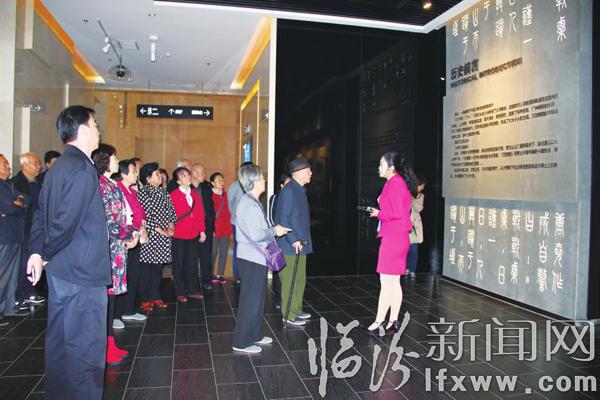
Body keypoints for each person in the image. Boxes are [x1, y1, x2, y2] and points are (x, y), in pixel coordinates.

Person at [27, 105, 111, 399]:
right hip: (82, 272)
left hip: (62, 271)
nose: (99, 130)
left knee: (61, 342)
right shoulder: (83, 169)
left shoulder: (58, 167)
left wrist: (37, 251)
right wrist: (44, 253)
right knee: (85, 348)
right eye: (95, 124)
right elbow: (66, 222)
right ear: (84, 129)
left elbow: (42, 214)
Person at [233, 164, 290, 353]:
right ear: (254, 181)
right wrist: (275, 230)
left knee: (257, 299)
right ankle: (241, 341)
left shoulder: (251, 201)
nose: (264, 180)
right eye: (262, 177)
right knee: (250, 300)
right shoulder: (249, 205)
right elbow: (257, 234)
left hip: (255, 257)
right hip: (251, 258)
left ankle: (255, 334)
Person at [91, 144, 137, 366]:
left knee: (111, 298)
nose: (117, 161)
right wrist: (129, 234)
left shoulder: (111, 185)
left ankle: (110, 343)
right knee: (105, 299)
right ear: (104, 161)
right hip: (107, 248)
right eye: (114, 158)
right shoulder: (99, 185)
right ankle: (103, 346)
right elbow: (109, 220)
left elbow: (123, 216)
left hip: (118, 247)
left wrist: (131, 233)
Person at [367, 152, 416, 334]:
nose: (379, 167)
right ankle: (393, 321)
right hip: (399, 237)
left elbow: (396, 212)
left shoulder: (394, 184)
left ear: (391, 167)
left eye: (381, 164)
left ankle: (380, 320)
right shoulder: (398, 183)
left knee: (386, 282)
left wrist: (378, 213)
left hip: (393, 238)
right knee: (394, 282)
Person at [275, 157, 313, 326]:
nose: (311, 173)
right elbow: (283, 219)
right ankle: (288, 314)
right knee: (290, 280)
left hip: (301, 244)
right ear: (298, 173)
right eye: (308, 171)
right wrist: (293, 239)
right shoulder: (289, 191)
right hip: (291, 245)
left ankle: (296, 309)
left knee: (299, 279)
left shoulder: (299, 189)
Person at [137, 162, 176, 311]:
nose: (160, 176)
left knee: (157, 270)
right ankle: (144, 299)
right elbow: (147, 216)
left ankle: (155, 296)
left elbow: (172, 212)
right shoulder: (143, 193)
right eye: (157, 174)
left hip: (163, 238)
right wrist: (162, 231)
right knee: (146, 270)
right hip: (150, 237)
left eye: (160, 173)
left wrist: (171, 226)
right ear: (148, 178)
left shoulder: (164, 192)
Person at [114, 159, 149, 327]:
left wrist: (142, 229)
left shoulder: (132, 191)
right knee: (120, 276)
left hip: (135, 238)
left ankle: (128, 310)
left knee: (133, 275)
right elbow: (119, 217)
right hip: (123, 240)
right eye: (134, 171)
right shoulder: (117, 190)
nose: (137, 174)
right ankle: (115, 315)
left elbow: (140, 214)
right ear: (123, 173)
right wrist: (133, 233)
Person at [11, 152, 45, 308]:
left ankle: (31, 290)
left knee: (34, 259)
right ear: (24, 165)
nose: (38, 166)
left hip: (37, 228)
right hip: (23, 228)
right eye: (34, 163)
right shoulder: (16, 183)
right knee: (23, 262)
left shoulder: (39, 182)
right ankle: (22, 294)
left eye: (39, 163)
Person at [0, 154, 30, 326]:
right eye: (4, 164)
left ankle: (9, 307)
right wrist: (18, 204)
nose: (9, 167)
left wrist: (19, 203)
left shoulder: (8, 185)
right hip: (4, 236)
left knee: (12, 275)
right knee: (3, 274)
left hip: (15, 235)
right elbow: (9, 207)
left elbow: (26, 199)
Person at [169, 167, 206, 302]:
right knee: (178, 263)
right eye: (184, 176)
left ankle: (192, 289)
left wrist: (202, 230)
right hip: (179, 234)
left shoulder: (194, 194)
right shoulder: (173, 195)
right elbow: (170, 215)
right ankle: (179, 291)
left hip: (193, 234)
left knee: (192, 262)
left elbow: (200, 213)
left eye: (187, 175)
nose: (188, 177)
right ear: (178, 181)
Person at [191, 163, 215, 291]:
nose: (205, 175)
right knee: (191, 256)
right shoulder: (186, 188)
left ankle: (206, 280)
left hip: (206, 226)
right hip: (191, 227)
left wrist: (212, 227)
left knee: (206, 256)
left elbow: (211, 208)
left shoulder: (206, 187)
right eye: (202, 172)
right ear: (194, 173)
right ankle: (192, 282)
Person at [227, 161, 253, 284]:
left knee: (251, 248)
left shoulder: (254, 185)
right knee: (239, 248)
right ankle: (237, 274)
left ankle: (248, 274)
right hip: (237, 224)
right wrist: (236, 217)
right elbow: (230, 204)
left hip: (251, 224)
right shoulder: (234, 186)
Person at [268, 173, 291, 309]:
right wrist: (278, 231)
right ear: (281, 185)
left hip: (291, 239)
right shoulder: (275, 198)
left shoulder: (294, 198)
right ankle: (278, 298)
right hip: (279, 238)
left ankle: (288, 297)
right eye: (288, 184)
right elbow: (271, 217)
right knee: (279, 266)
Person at [210, 172, 232, 285]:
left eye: (222, 180)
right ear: (212, 183)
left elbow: (230, 211)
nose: (221, 182)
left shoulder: (226, 195)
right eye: (218, 180)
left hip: (226, 228)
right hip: (214, 229)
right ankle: (210, 273)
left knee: (223, 252)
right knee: (213, 252)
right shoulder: (209, 196)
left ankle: (220, 274)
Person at [406, 174, 426, 279]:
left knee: (413, 249)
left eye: (423, 186)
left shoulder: (420, 196)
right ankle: (406, 268)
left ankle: (413, 270)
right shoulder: (405, 192)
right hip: (404, 224)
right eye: (421, 185)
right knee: (405, 249)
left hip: (414, 226)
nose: (422, 188)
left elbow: (419, 209)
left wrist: (412, 199)